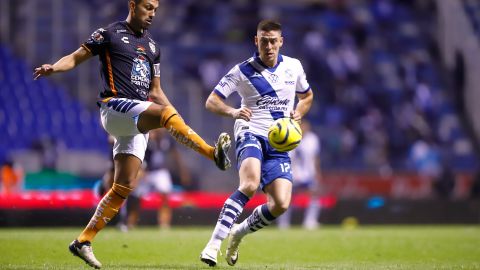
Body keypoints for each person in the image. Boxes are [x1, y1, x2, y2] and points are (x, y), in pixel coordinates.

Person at [33, 0, 231, 268]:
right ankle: (211, 153)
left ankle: (83, 241)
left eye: (156, 10)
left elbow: (156, 91)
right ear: (133, 5)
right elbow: (76, 57)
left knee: (123, 186)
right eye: (148, 7)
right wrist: (53, 68)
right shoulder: (108, 34)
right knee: (163, 117)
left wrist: (175, 118)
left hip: (135, 118)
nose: (152, 14)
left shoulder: (153, 48)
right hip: (114, 108)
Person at [199, 19, 314, 267]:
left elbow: (307, 96)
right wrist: (233, 112)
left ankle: (238, 233)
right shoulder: (242, 71)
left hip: (279, 141)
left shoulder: (293, 67)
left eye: (274, 41)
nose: (269, 46)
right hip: (250, 131)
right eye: (264, 41)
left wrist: (299, 112)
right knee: (249, 184)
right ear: (256, 41)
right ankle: (213, 245)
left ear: (281, 41)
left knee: (281, 203)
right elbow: (212, 101)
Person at [128, 128, 191, 230]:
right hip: (145, 171)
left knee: (165, 196)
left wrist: (183, 171)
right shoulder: (145, 138)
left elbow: (176, 154)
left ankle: (164, 224)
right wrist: (138, 171)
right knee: (136, 198)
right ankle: (131, 223)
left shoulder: (166, 140)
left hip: (160, 171)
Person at [276, 120, 322, 230]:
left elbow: (315, 157)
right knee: (287, 198)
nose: (304, 128)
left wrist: (317, 172)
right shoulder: (289, 137)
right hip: (293, 173)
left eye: (306, 126)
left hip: (308, 173)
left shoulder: (313, 139)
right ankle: (283, 223)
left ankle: (310, 221)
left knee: (314, 195)